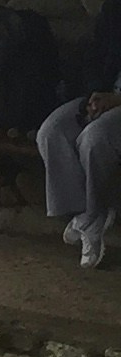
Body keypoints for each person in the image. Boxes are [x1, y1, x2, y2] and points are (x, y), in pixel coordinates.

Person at [37, 86, 121, 268]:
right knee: (50, 132)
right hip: (103, 93)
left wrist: (116, 99)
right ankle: (84, 215)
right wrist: (91, 100)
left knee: (94, 139)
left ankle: (93, 217)